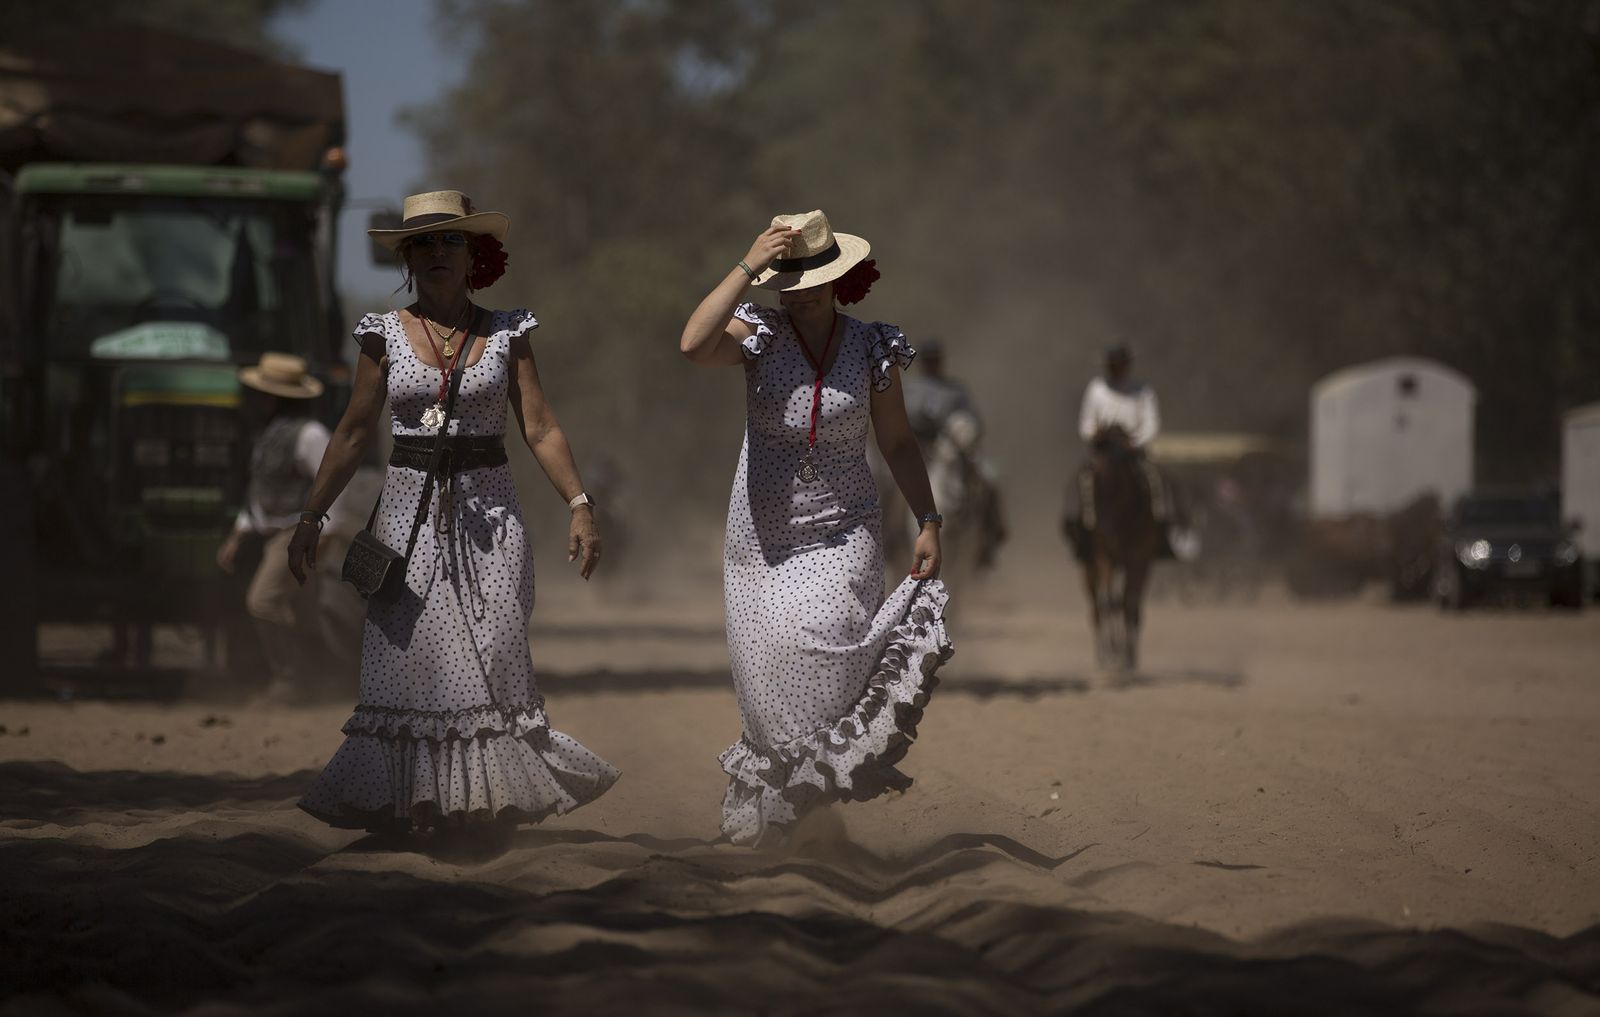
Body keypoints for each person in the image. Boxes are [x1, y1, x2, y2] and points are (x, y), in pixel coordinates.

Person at [286, 190, 618, 838]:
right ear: (407, 258)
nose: (438, 253)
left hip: (490, 515)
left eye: (451, 241)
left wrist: (580, 505)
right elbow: (353, 433)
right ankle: (407, 803)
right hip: (406, 521)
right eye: (425, 243)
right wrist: (310, 516)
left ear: (475, 256)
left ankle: (485, 806)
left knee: (493, 653)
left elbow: (541, 427)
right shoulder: (382, 335)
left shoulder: (508, 333)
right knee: (409, 662)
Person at [680, 209, 954, 847]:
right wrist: (748, 262)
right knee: (767, 673)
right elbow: (692, 344)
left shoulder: (872, 345)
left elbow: (899, 442)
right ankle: (792, 811)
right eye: (786, 273)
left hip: (843, 528)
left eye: (809, 273)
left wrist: (929, 520)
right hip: (759, 539)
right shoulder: (759, 333)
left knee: (823, 636)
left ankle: (813, 783)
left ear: (837, 278)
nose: (796, 284)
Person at [216, 352, 331, 700]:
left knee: (263, 602)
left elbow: (330, 485)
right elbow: (261, 490)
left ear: (271, 397)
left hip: (297, 534)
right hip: (276, 535)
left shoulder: (310, 435)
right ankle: (315, 682)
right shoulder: (269, 435)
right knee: (301, 612)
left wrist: (322, 535)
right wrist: (238, 534)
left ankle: (289, 679)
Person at [1068, 344, 1183, 559]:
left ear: (1127, 365)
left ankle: (1163, 531)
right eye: (1111, 364)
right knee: (1082, 480)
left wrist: (1136, 441)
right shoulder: (1096, 389)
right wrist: (1094, 434)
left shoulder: (1142, 390)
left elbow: (1151, 423)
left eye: (1119, 364)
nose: (1115, 368)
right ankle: (1079, 528)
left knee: (1156, 479)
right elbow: (1085, 423)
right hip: (1103, 450)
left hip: (1133, 450)